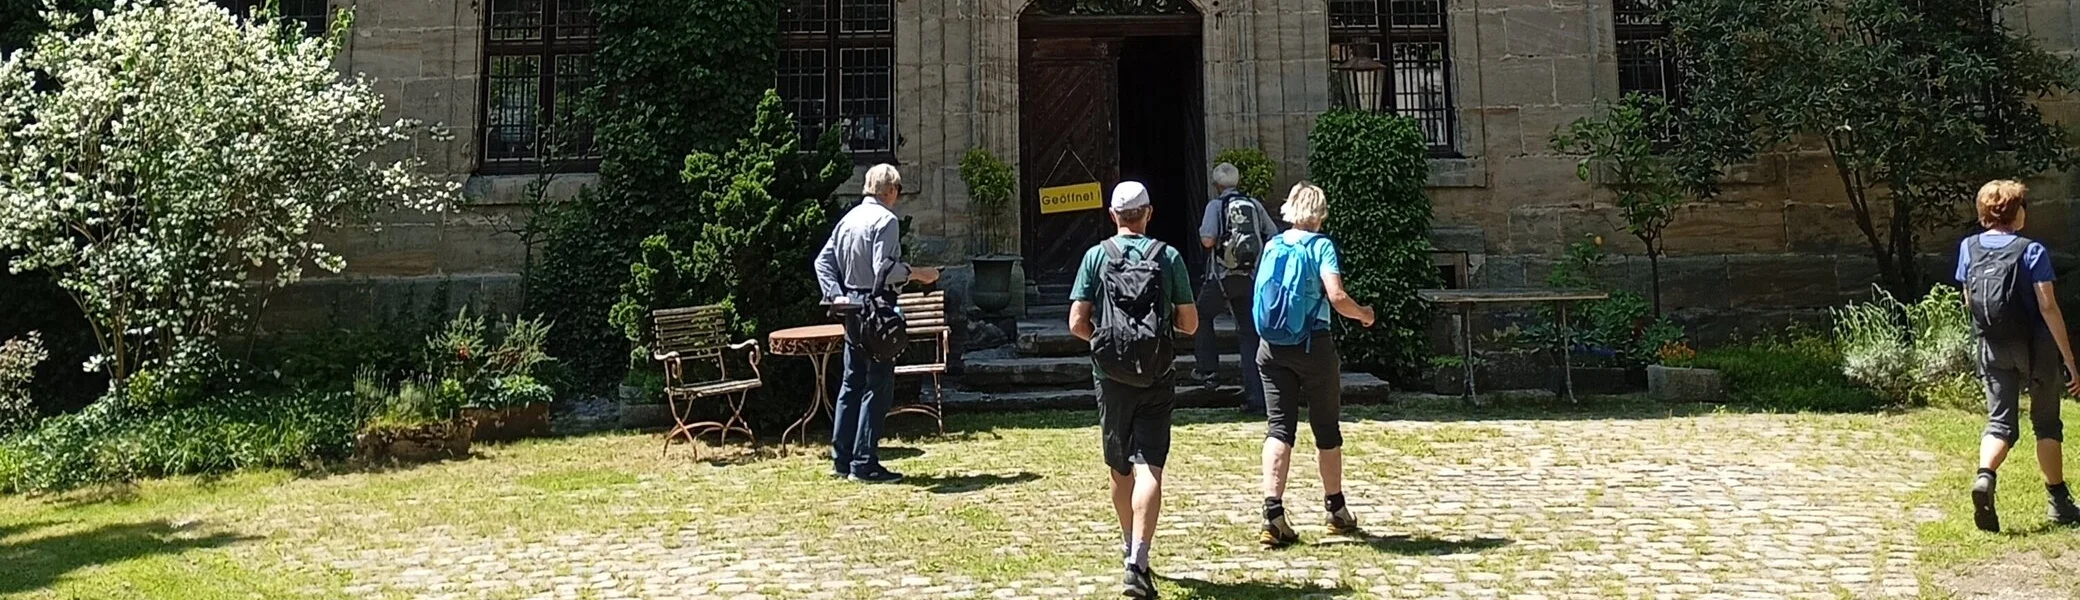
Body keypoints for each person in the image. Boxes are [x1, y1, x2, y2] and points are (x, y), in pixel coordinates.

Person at [1069, 181, 1198, 598]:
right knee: (1150, 466)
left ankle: (1128, 543)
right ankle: (1138, 560)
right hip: (1157, 374)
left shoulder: (1095, 257)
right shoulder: (1169, 256)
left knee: (1119, 466)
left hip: (1110, 379)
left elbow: (1076, 322)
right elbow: (1190, 323)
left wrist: (1106, 347)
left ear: (1112, 216)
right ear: (1149, 213)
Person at [1251, 182, 1375, 547]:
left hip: (1271, 347)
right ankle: (1336, 510)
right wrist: (1364, 314)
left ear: (1290, 209)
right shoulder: (1321, 246)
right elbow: (1335, 296)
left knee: (1278, 429)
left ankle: (1272, 515)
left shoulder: (1273, 245)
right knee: (1325, 427)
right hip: (1313, 345)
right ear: (1320, 214)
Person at [1957, 179, 2080, 532]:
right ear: (2016, 212)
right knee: (2046, 423)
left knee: (1999, 423)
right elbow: (2048, 306)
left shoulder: (1969, 248)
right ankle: (2059, 502)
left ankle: (1985, 477)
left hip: (1992, 346)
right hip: (2036, 348)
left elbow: (1969, 300)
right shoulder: (2032, 250)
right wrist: (2069, 360)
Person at [813, 164, 939, 484]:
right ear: (892, 190)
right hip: (878, 308)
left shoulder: (848, 220)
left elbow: (822, 262)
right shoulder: (886, 220)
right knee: (879, 385)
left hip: (852, 309)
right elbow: (884, 269)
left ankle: (842, 459)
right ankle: (865, 462)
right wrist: (919, 273)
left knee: (851, 382)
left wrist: (836, 295)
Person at [1193, 162, 1279, 413]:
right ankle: (1256, 397)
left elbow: (1208, 239)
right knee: (1248, 334)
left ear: (1217, 185)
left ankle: (1208, 371)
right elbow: (1272, 233)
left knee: (1201, 314)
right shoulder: (1253, 204)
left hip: (1223, 277)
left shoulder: (1216, 205)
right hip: (1251, 277)